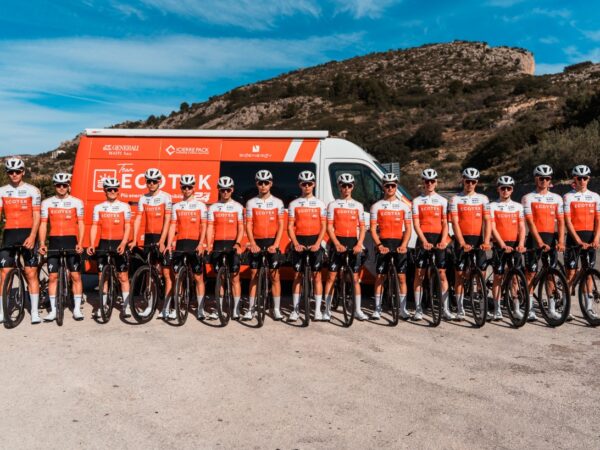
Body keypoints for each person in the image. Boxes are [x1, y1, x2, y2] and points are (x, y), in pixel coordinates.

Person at [0, 158, 42, 324]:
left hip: (27, 234)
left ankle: (34, 312)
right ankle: (3, 311)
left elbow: (37, 216)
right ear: (7, 173)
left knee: (31, 274)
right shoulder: (2, 191)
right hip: (9, 234)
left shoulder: (33, 190)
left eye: (17, 171)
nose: (14, 174)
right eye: (11, 172)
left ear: (23, 172)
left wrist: (32, 236)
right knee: (4, 274)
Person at [38, 173, 85, 321]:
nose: (62, 188)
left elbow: (81, 224)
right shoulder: (47, 203)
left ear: (68, 186)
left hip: (71, 241)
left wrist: (80, 243)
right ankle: (53, 310)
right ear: (55, 186)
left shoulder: (77, 202)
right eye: (59, 185)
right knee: (52, 276)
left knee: (75, 275)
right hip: (54, 241)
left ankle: (77, 309)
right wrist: (42, 243)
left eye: (64, 185)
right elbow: (43, 224)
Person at [521, 164, 565, 321]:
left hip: (551, 238)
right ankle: (529, 307)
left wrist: (561, 241)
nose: (544, 181)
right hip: (534, 240)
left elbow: (561, 221)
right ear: (536, 179)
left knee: (550, 274)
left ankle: (551, 308)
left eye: (547, 178)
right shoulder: (528, 198)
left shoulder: (557, 198)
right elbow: (530, 222)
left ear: (550, 180)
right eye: (541, 178)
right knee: (531, 273)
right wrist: (539, 241)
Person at [129, 168, 173, 318]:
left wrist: (162, 240)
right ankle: (150, 305)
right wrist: (134, 239)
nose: (152, 184)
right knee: (149, 272)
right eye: (149, 181)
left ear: (159, 182)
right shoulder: (143, 198)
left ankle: (167, 307)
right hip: (149, 238)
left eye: (154, 181)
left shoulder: (166, 197)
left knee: (166, 273)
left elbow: (168, 220)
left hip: (162, 237)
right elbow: (138, 219)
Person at [323, 173, 367, 321]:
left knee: (355, 278)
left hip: (353, 243)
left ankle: (357, 310)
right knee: (331, 277)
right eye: (343, 185)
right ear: (339, 187)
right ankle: (327, 310)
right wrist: (336, 244)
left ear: (352, 187)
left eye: (349, 185)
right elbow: (329, 227)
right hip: (337, 243)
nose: (346, 188)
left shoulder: (358, 205)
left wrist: (359, 244)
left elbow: (362, 227)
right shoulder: (333, 205)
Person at [412, 168, 454, 320]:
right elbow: (416, 224)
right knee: (419, 274)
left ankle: (446, 309)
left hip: (438, 239)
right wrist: (423, 241)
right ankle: (418, 309)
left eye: (432, 181)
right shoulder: (417, 201)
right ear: (423, 182)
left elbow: (445, 223)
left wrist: (443, 240)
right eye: (426, 181)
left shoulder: (442, 201)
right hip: (423, 239)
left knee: (442, 274)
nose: (429, 183)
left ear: (436, 182)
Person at [449, 167, 491, 321]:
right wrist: (461, 242)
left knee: (481, 275)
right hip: (462, 240)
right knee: (459, 275)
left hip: (478, 240)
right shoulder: (455, 199)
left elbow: (487, 221)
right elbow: (455, 222)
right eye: (468, 181)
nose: (470, 184)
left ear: (476, 182)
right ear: (463, 180)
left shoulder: (483, 199)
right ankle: (460, 310)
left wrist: (486, 241)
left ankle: (482, 308)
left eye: (473, 182)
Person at [87, 178, 132, 318]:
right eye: (109, 189)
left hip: (119, 243)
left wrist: (124, 243)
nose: (112, 191)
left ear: (118, 191)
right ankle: (103, 305)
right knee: (102, 277)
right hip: (104, 243)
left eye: (115, 189)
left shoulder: (125, 207)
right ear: (105, 191)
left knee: (123, 276)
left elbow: (128, 226)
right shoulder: (98, 207)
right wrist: (91, 243)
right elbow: (94, 226)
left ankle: (126, 306)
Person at [369, 173, 412, 320]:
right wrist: (379, 245)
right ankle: (377, 309)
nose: (390, 188)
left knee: (401, 277)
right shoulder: (376, 206)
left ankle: (402, 309)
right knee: (380, 277)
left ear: (396, 186)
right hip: (383, 244)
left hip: (399, 244)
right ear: (383, 187)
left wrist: (404, 245)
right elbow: (373, 229)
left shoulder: (404, 207)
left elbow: (408, 229)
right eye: (387, 185)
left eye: (393, 185)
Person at [244, 170, 285, 321]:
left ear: (270, 184)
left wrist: (276, 244)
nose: (263, 185)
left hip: (272, 242)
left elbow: (281, 225)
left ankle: (276, 309)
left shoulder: (278, 202)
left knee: (275, 276)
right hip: (257, 241)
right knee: (253, 275)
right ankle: (251, 309)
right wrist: (253, 243)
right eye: (260, 182)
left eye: (266, 182)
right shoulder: (251, 202)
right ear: (256, 184)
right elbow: (248, 225)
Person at [166, 175, 208, 320]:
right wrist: (169, 243)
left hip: (195, 243)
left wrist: (201, 243)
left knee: (198, 277)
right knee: (177, 276)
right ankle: (176, 306)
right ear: (181, 188)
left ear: (193, 188)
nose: (187, 189)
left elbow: (204, 226)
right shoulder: (176, 206)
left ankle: (200, 309)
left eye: (189, 187)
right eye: (184, 187)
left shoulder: (200, 205)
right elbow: (172, 226)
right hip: (180, 243)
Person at [287, 170, 327, 321]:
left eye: (309, 183)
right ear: (300, 185)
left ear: (314, 184)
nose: (307, 186)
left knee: (317, 277)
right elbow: (290, 226)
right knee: (297, 276)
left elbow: (323, 226)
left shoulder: (320, 204)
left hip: (315, 242)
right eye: (304, 184)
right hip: (299, 242)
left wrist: (318, 243)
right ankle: (295, 310)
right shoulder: (294, 204)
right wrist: (295, 243)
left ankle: (317, 311)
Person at [563, 165, 600, 319]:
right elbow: (568, 221)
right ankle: (565, 307)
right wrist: (577, 240)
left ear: (588, 179)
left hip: (590, 238)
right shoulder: (568, 197)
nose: (582, 180)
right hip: (574, 239)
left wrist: (597, 238)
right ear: (575, 179)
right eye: (579, 178)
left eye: (585, 178)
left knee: (589, 273)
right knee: (571, 273)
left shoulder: (595, 196)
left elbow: (598, 220)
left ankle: (588, 308)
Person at [207, 176, 244, 320]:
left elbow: (241, 228)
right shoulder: (213, 207)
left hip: (232, 244)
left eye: (228, 190)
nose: (225, 192)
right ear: (219, 190)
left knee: (235, 278)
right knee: (220, 278)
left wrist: (238, 243)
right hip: (218, 244)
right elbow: (210, 227)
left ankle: (235, 309)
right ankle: (219, 309)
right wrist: (209, 244)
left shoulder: (238, 207)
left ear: (232, 190)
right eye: (222, 190)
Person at [489, 176, 526, 320]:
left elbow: (521, 227)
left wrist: (521, 243)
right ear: (498, 189)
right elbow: (492, 228)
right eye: (502, 188)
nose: (505, 191)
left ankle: (516, 308)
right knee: (498, 277)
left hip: (515, 245)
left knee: (515, 278)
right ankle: (497, 309)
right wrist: (502, 244)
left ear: (512, 190)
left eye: (508, 188)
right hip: (500, 246)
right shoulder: (492, 206)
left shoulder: (518, 206)